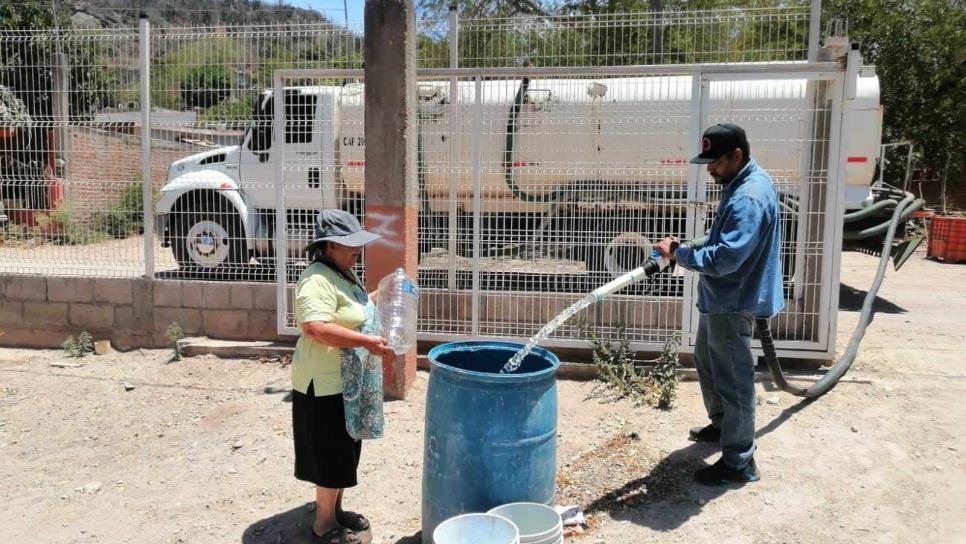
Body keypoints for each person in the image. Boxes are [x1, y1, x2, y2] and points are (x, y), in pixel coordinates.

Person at [653, 123, 783, 485]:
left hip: (733, 299)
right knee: (709, 361)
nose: (709, 168)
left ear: (736, 156)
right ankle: (724, 425)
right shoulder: (742, 183)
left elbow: (726, 258)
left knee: (733, 379)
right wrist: (687, 247)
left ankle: (739, 460)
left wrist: (680, 254)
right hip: (721, 298)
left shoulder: (747, 197)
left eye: (715, 162)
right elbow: (722, 238)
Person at [291, 208, 394, 543]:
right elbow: (315, 328)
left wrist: (384, 292)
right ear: (330, 245)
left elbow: (354, 309)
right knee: (332, 455)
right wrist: (367, 341)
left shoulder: (343, 273)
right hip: (324, 385)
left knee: (345, 452)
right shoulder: (316, 279)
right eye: (350, 244)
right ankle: (323, 525)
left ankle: (335, 512)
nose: (356, 250)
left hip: (348, 383)